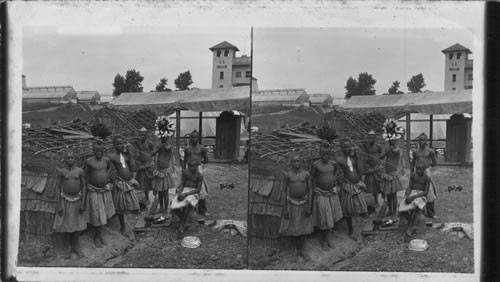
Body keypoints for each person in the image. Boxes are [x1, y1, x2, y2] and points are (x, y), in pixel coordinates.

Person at [279, 154, 314, 262]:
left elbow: (310, 190)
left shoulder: (306, 174)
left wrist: (309, 205)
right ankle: (295, 250)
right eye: (294, 161)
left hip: (304, 203)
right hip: (292, 204)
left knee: (303, 227)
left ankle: (302, 250)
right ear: (291, 163)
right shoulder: (288, 175)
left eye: (298, 161)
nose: (296, 163)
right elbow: (284, 191)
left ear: (301, 162)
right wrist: (285, 208)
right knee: (293, 227)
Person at [53, 151, 87, 258]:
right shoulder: (62, 172)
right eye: (68, 158)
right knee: (66, 225)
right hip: (65, 201)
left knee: (77, 225)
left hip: (77, 201)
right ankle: (68, 248)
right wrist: (59, 204)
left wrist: (83, 202)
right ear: (65, 159)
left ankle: (76, 247)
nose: (70, 160)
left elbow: (84, 187)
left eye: (72, 158)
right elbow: (58, 187)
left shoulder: (80, 171)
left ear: (75, 159)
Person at [310, 143, 343, 251]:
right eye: (324, 154)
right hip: (320, 193)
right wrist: (314, 187)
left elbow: (337, 171)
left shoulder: (333, 164)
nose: (326, 156)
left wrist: (334, 178)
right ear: (320, 153)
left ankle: (328, 238)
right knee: (323, 218)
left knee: (330, 217)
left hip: (331, 193)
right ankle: (323, 240)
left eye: (328, 154)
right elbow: (312, 176)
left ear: (330, 154)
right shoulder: (316, 164)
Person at [84, 140, 116, 248]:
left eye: (101, 150)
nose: (99, 152)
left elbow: (110, 168)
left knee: (102, 214)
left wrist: (106, 175)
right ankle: (96, 237)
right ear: (93, 150)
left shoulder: (106, 160)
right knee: (96, 214)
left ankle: (100, 234)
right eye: (97, 150)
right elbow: (85, 174)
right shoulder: (89, 161)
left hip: (104, 191)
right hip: (94, 191)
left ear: (103, 150)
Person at [107, 135, 140, 237]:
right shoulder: (111, 156)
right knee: (120, 206)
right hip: (120, 183)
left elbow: (133, 167)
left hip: (129, 182)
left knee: (132, 201)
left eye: (121, 143)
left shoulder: (126, 155)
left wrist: (130, 154)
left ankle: (132, 219)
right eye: (117, 143)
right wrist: (113, 178)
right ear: (114, 145)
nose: (120, 145)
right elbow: (109, 169)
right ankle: (123, 227)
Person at [335, 139, 368, 237]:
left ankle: (361, 226)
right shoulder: (339, 160)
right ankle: (350, 229)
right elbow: (339, 175)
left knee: (361, 206)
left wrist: (357, 157)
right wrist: (344, 182)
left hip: (357, 184)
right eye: (345, 147)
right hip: (348, 186)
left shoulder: (354, 158)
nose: (347, 148)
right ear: (341, 148)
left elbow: (360, 170)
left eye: (349, 146)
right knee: (348, 209)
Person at [398, 160, 429, 242]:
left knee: (416, 206)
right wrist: (407, 196)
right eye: (417, 169)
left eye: (421, 169)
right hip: (412, 193)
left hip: (421, 196)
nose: (419, 171)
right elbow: (410, 187)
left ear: (424, 169)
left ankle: (409, 231)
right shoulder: (413, 175)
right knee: (401, 208)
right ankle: (413, 223)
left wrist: (414, 197)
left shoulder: (427, 178)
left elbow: (426, 192)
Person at [170, 158, 202, 234]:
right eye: (190, 166)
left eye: (193, 167)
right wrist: (179, 193)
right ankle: (184, 220)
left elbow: (198, 189)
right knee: (173, 205)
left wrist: (186, 194)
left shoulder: (199, 175)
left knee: (188, 202)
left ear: (196, 166)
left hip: (193, 193)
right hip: (184, 190)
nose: (191, 168)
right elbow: (182, 184)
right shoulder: (185, 173)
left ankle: (182, 225)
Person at [411, 133, 438, 219]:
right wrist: (412, 172)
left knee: (429, 191)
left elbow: (435, 163)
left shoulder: (430, 151)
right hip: (417, 172)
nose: (422, 141)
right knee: (418, 190)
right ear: (418, 141)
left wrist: (427, 166)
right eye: (420, 140)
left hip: (426, 172)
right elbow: (413, 162)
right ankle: (419, 211)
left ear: (426, 141)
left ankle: (431, 213)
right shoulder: (415, 152)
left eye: (423, 140)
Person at [183, 131, 209, 218]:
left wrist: (199, 163)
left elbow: (206, 160)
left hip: (198, 169)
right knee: (189, 187)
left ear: (198, 138)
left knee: (201, 189)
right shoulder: (187, 149)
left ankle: (202, 210)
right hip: (188, 169)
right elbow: (184, 160)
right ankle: (191, 209)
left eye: (195, 137)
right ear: (190, 138)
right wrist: (184, 170)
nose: (194, 139)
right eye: (192, 137)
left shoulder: (202, 148)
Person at [151, 135, 175, 215]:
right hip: (159, 171)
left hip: (165, 172)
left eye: (165, 137)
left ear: (167, 138)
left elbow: (168, 148)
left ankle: (165, 210)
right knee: (160, 192)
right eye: (162, 138)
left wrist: (161, 147)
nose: (163, 139)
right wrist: (158, 148)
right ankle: (161, 208)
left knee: (165, 192)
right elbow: (152, 154)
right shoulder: (159, 146)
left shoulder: (168, 146)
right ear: (160, 138)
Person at [380, 138, 403, 219]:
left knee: (393, 195)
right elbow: (381, 157)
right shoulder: (388, 149)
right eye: (390, 140)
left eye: (393, 140)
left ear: (396, 141)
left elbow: (395, 151)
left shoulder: (396, 149)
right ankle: (390, 210)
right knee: (388, 194)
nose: (391, 141)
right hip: (387, 174)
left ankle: (394, 212)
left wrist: (389, 148)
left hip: (393, 174)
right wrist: (386, 150)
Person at [361, 131, 383, 208]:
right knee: (373, 186)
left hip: (378, 167)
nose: (370, 139)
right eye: (369, 137)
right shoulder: (366, 146)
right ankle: (376, 200)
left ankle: (384, 198)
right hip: (370, 168)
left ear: (375, 138)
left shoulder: (378, 146)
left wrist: (379, 165)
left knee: (380, 185)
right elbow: (363, 155)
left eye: (372, 138)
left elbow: (382, 156)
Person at [134, 128, 155, 209]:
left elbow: (153, 153)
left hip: (149, 165)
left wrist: (151, 162)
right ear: (139, 135)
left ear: (147, 135)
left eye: (144, 135)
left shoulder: (149, 143)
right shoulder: (137, 143)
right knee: (143, 183)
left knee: (151, 182)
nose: (142, 136)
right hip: (142, 165)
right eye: (141, 135)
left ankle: (153, 197)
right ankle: (146, 198)